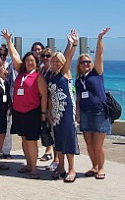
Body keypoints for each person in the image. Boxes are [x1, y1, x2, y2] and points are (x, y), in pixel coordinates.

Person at [1, 29, 48, 180]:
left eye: (32, 61)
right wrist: (9, 42)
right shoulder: (21, 72)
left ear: (36, 62)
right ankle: (28, 165)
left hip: (32, 112)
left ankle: (34, 169)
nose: (29, 63)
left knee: (31, 141)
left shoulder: (38, 76)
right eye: (27, 60)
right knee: (23, 139)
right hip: (19, 112)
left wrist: (43, 113)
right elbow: (14, 56)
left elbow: (44, 96)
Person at [75, 27, 111, 180]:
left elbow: (99, 55)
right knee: (89, 144)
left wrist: (100, 39)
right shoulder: (78, 80)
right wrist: (77, 113)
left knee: (97, 145)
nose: (86, 64)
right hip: (84, 112)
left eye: (88, 62)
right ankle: (94, 166)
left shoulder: (97, 73)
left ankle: (101, 168)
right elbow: (77, 98)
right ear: (79, 65)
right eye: (83, 62)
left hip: (99, 112)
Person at [46, 29, 80, 183]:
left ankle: (72, 168)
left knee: (68, 139)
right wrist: (49, 112)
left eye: (57, 61)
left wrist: (71, 44)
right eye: (53, 61)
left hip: (66, 111)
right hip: (55, 113)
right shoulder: (50, 76)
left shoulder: (65, 73)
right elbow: (50, 96)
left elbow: (68, 58)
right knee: (58, 139)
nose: (55, 63)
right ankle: (61, 167)